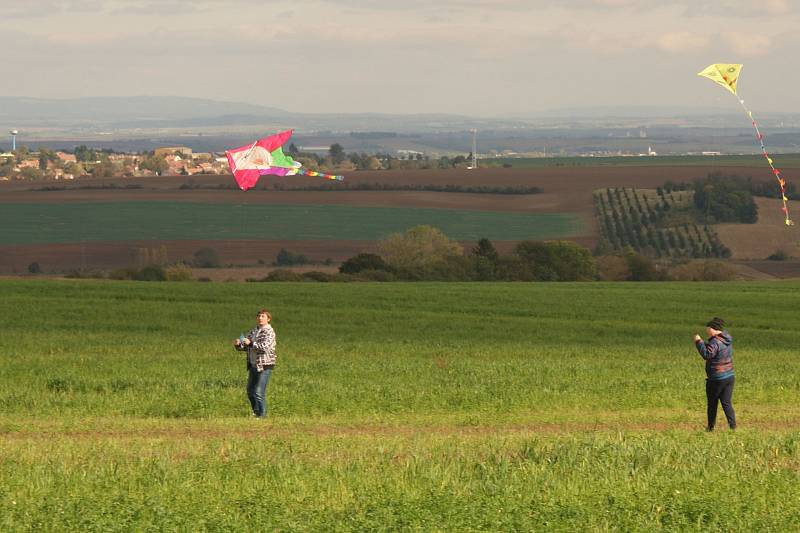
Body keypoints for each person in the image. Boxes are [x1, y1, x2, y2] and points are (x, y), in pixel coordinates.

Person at [693, 317, 736, 431]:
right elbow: (716, 350)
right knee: (726, 403)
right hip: (729, 376)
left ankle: (710, 428)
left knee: (712, 404)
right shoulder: (726, 339)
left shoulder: (715, 341)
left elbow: (707, 354)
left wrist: (699, 342)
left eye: (708, 329)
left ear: (714, 329)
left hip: (717, 378)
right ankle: (733, 427)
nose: (707, 332)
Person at [234, 309, 276, 418]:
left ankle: (262, 415)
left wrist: (251, 343)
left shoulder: (269, 332)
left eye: (263, 316)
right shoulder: (254, 331)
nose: (260, 318)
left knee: (258, 391)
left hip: (265, 365)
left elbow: (264, 347)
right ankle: (256, 412)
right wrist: (239, 344)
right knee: (250, 391)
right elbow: (246, 345)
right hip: (253, 365)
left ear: (268, 319)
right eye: (258, 316)